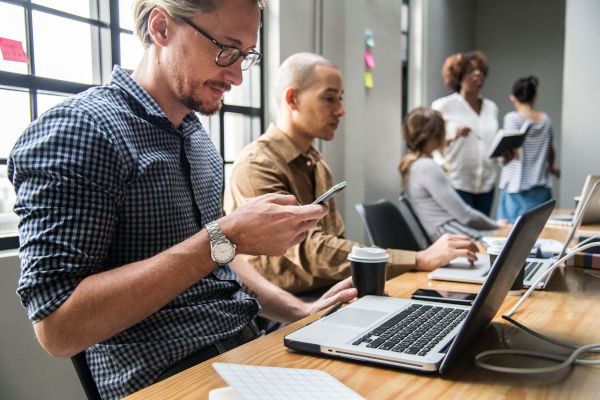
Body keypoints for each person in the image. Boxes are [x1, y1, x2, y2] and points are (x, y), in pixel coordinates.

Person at [7, 2, 357, 399]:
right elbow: (57, 329)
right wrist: (224, 237)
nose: (237, 76)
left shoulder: (198, 140)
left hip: (244, 348)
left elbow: (221, 256)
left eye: (246, 55)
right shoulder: (81, 131)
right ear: (160, 28)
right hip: (168, 377)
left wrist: (299, 313)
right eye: (226, 48)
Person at [224, 52, 479, 299]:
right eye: (329, 98)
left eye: (340, 99)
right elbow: (309, 250)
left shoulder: (317, 163)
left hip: (328, 289)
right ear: (292, 99)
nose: (341, 110)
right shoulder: (257, 166)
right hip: (283, 306)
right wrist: (418, 259)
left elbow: (334, 243)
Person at [399, 107, 509, 241]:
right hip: (453, 235)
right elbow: (466, 215)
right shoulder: (426, 166)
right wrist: (497, 226)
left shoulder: (415, 165)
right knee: (515, 239)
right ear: (435, 135)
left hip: (451, 233)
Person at [432, 51, 499, 216]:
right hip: (456, 183)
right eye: (471, 71)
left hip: (486, 184)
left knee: (481, 236)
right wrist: (452, 137)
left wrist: (505, 154)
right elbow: (432, 144)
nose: (478, 74)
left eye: (481, 70)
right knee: (461, 236)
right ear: (458, 77)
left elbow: (490, 144)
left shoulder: (492, 108)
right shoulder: (442, 107)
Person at [497, 76, 560, 223]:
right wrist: (551, 168)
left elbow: (512, 150)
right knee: (539, 231)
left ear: (513, 98)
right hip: (540, 186)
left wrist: (501, 159)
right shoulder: (545, 120)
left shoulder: (512, 118)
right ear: (535, 96)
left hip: (516, 187)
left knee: (510, 235)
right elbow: (550, 150)